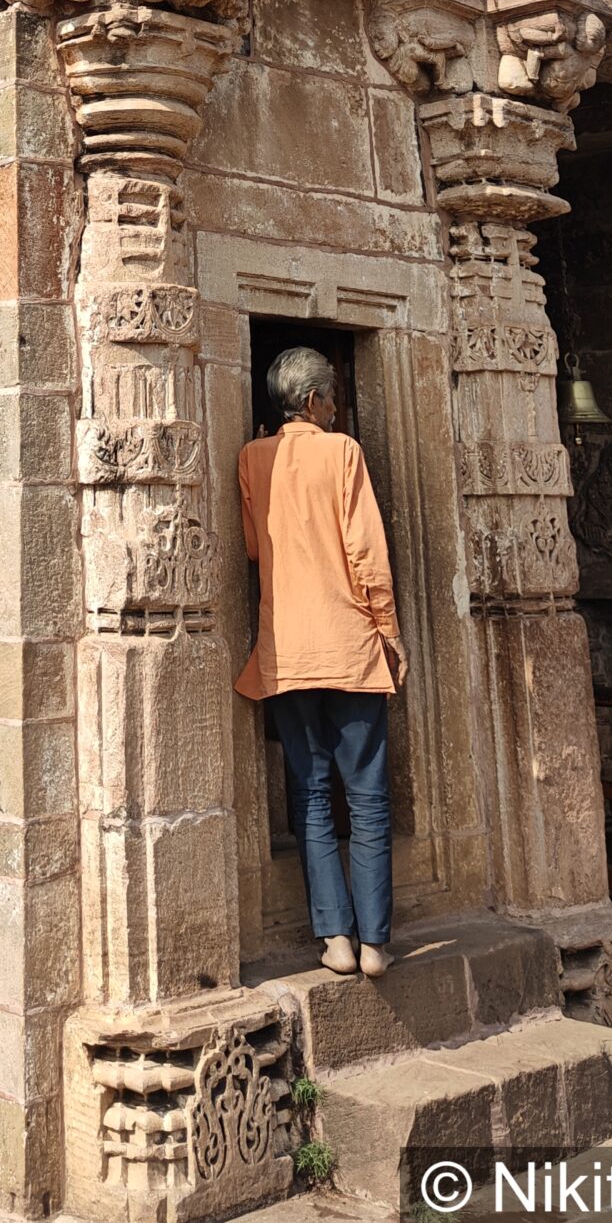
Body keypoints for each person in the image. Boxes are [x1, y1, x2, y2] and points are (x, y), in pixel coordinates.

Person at [235, 345, 405, 979]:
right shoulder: (343, 452)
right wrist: (389, 634)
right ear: (312, 401)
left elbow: (254, 549)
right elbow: (367, 556)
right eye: (332, 398)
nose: (336, 408)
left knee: (310, 796)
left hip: (288, 654)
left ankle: (335, 939)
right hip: (349, 648)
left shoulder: (251, 458)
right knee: (367, 799)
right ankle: (375, 944)